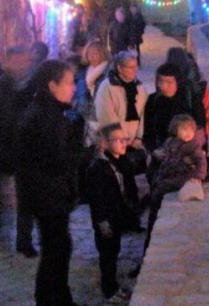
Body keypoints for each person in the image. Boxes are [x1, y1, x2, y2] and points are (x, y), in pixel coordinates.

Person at [16, 60, 82, 306]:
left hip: (49, 193)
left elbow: (72, 130)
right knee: (55, 250)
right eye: (68, 83)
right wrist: (86, 153)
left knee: (59, 248)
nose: (73, 88)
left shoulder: (52, 110)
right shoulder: (45, 116)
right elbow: (58, 159)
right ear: (52, 85)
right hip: (47, 194)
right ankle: (48, 299)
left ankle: (60, 297)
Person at [86, 124, 140, 302]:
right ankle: (109, 290)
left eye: (125, 139)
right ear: (105, 143)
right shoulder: (98, 168)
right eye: (118, 140)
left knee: (114, 251)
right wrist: (102, 222)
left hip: (115, 217)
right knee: (107, 256)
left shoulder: (119, 161)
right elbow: (97, 199)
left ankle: (113, 285)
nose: (123, 143)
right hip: (106, 220)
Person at [0, 46, 36, 256]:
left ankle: (23, 241)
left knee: (25, 198)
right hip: (1, 153)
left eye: (26, 61)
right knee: (0, 199)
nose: (24, 65)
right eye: (20, 61)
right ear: (8, 62)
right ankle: (1, 237)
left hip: (23, 153)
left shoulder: (29, 88)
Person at [145, 114, 206, 250]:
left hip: (181, 177)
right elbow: (165, 156)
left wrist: (198, 177)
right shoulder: (170, 142)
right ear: (175, 130)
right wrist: (158, 155)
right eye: (184, 130)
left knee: (160, 189)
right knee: (156, 188)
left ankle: (153, 205)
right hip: (168, 174)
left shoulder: (193, 145)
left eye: (190, 130)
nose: (188, 133)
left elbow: (201, 161)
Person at [95, 51, 148, 173]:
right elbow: (106, 116)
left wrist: (138, 137)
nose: (135, 70)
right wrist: (120, 139)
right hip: (114, 142)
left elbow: (142, 115)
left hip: (133, 142)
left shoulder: (140, 88)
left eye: (136, 66)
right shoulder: (107, 87)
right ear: (119, 68)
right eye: (130, 67)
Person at [166, 47, 209, 146]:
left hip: (170, 150)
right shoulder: (203, 92)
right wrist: (198, 132)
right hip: (195, 147)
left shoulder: (164, 91)